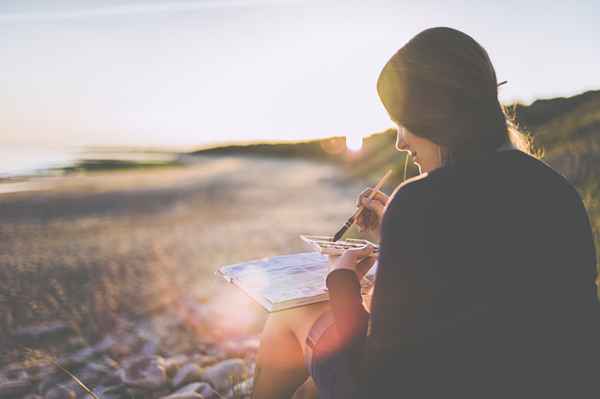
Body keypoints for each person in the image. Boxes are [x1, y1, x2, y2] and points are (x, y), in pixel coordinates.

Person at [252, 27, 599, 399]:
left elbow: (380, 380)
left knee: (289, 315)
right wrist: (397, 229)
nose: (400, 141)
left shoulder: (418, 202)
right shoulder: (556, 190)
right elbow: (488, 280)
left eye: (403, 122)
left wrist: (342, 283)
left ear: (432, 114)